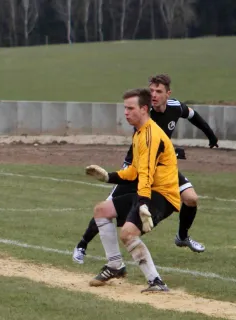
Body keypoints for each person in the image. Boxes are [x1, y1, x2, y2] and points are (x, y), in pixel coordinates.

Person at [72, 74, 219, 263]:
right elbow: (150, 147)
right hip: (137, 166)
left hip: (162, 168)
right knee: (107, 208)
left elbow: (192, 115)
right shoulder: (144, 113)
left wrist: (211, 136)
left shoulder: (175, 107)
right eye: (151, 91)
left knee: (191, 199)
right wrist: (174, 152)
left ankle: (182, 237)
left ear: (168, 93)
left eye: (159, 91)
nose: (154, 95)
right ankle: (82, 244)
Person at [84, 88, 180, 292]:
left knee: (128, 233)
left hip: (163, 195)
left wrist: (143, 202)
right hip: (150, 191)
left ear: (144, 109)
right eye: (124, 108)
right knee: (102, 210)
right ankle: (115, 265)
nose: (126, 113)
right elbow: (136, 170)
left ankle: (156, 282)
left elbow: (145, 173)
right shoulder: (140, 132)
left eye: (130, 108)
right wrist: (109, 176)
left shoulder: (149, 136)